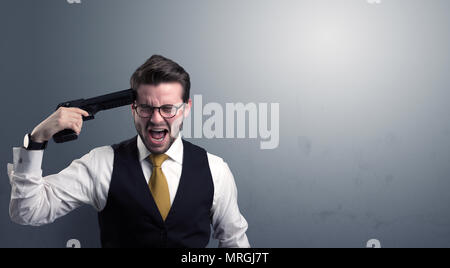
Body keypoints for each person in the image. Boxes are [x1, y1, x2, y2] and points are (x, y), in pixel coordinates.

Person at [7, 55, 250, 248]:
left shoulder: (215, 169)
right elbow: (28, 212)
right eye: (145, 108)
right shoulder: (101, 164)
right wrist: (36, 140)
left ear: (186, 109)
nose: (156, 119)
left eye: (167, 108)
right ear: (132, 109)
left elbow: (235, 244)